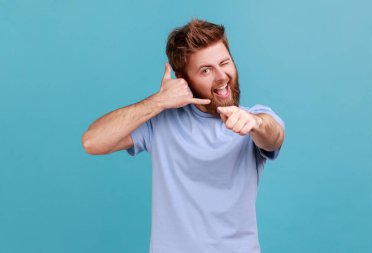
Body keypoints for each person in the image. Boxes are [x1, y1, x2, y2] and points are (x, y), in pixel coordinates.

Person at [82, 18, 285, 253]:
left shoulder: (253, 119)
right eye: (206, 70)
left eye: (225, 62)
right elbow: (92, 142)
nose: (221, 76)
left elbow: (274, 136)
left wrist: (256, 123)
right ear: (183, 79)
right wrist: (157, 102)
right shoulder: (159, 121)